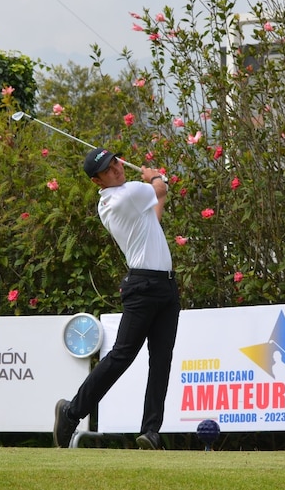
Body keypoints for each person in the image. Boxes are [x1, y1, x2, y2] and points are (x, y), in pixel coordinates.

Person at [53, 147, 181, 449]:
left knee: (161, 361)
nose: (117, 170)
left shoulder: (131, 198)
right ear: (98, 181)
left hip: (165, 286)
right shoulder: (124, 196)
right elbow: (159, 187)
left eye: (116, 163)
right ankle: (71, 412)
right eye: (109, 170)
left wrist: (156, 189)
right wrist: (154, 176)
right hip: (143, 286)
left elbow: (155, 214)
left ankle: (151, 432)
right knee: (122, 356)